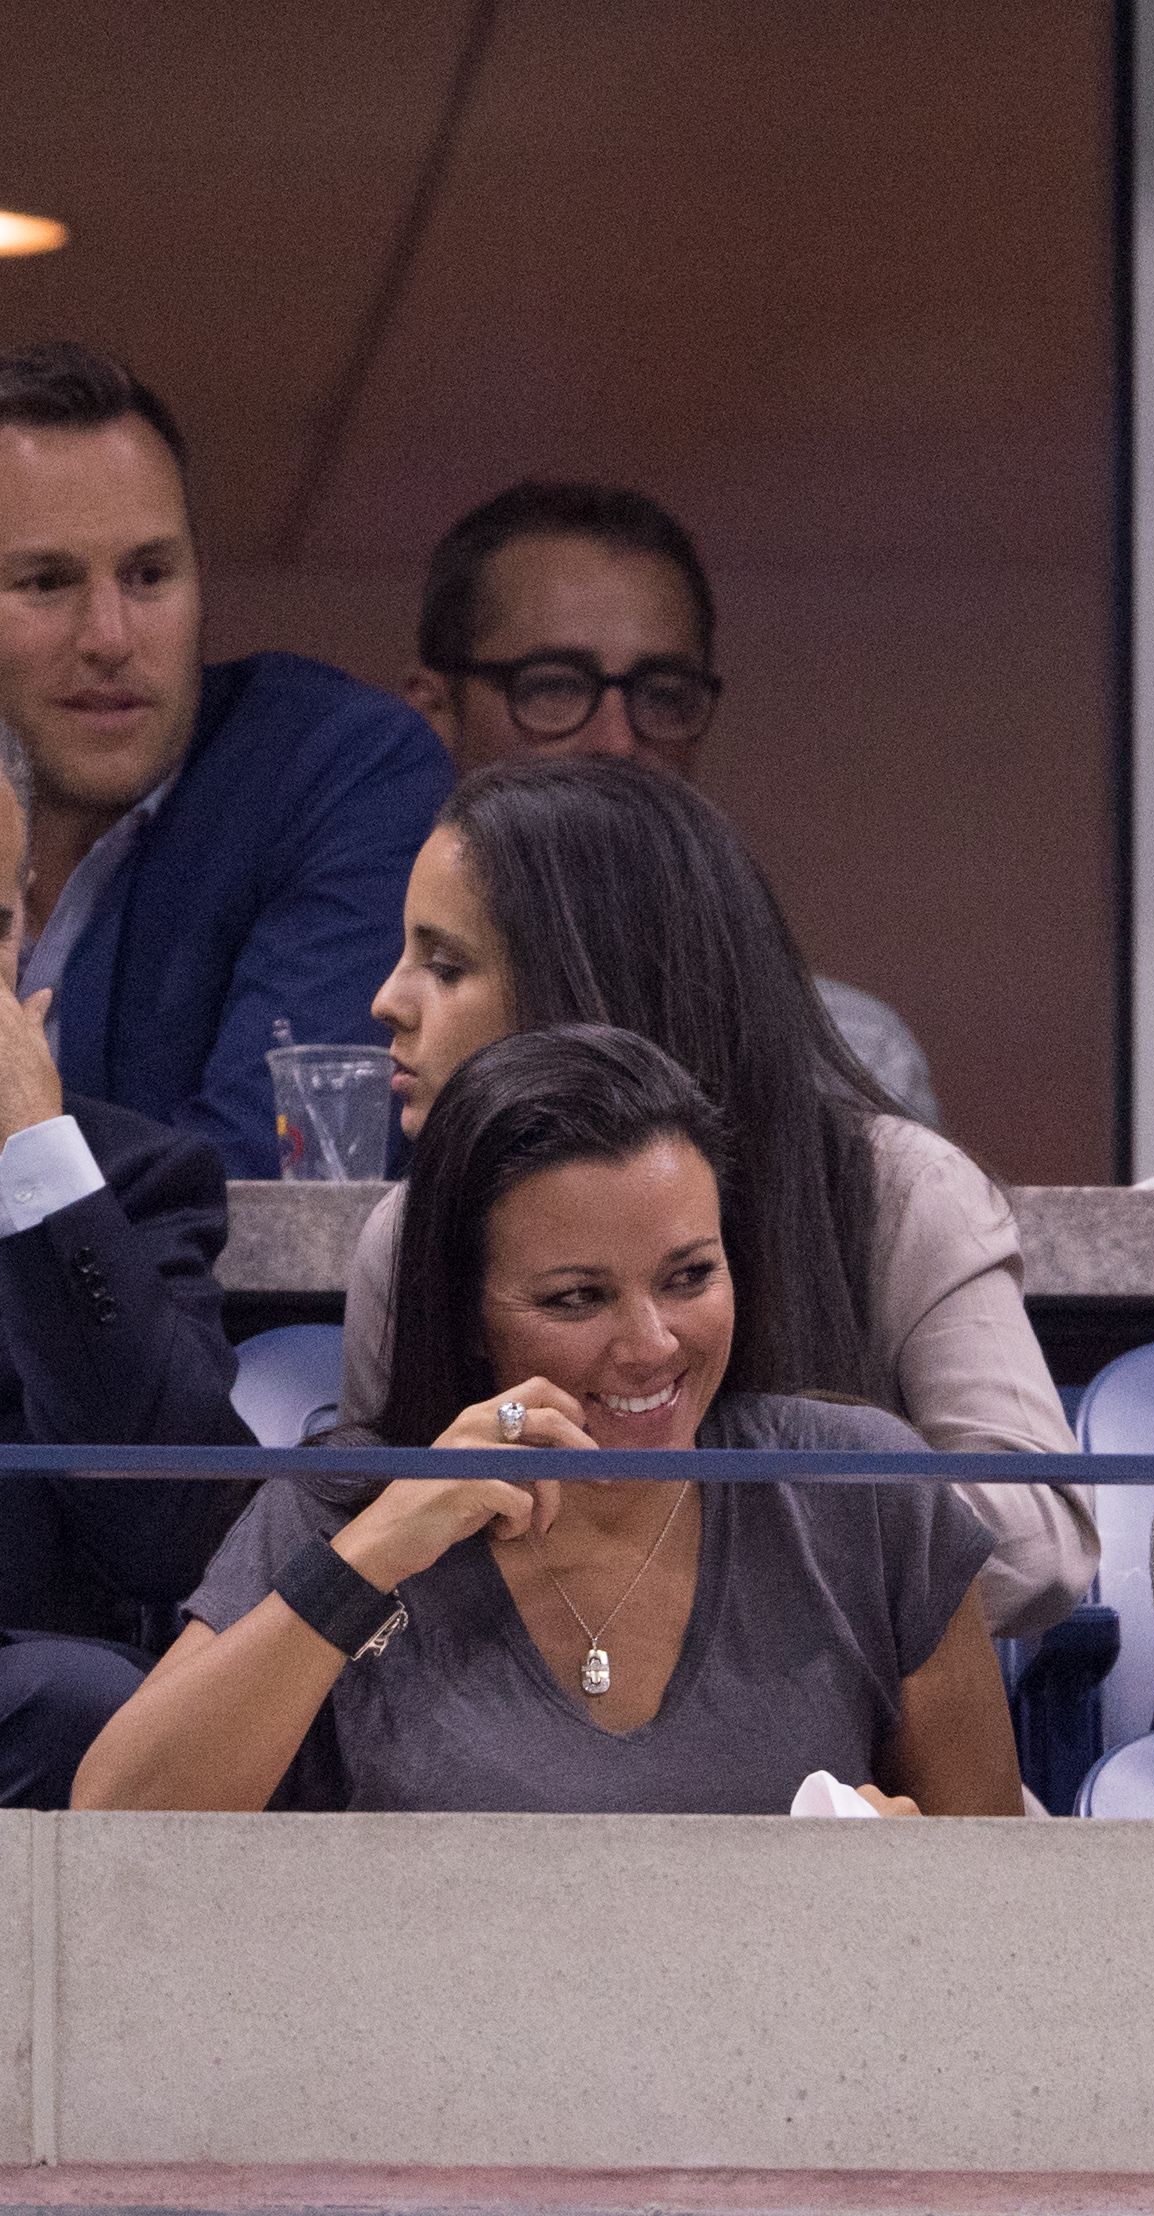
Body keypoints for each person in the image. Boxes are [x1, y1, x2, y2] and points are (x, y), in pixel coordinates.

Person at [74, 1026, 1022, 1815]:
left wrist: (910, 1877)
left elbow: (999, 1914)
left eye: (690, 1277)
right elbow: (115, 1820)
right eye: (577, 1299)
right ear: (467, 1315)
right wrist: (374, 1558)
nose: (652, 1345)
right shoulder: (343, 1505)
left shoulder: (865, 1492)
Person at [337, 758, 1094, 1638]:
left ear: (591, 988)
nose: (387, 1000)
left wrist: (685, 1528)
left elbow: (1037, 1547)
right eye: (577, 1296)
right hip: (507, 1742)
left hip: (858, 1765)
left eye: (448, 965)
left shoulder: (899, 1188)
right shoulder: (405, 1235)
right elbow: (363, 1546)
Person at [0, 341, 450, 1177]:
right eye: (46, 583)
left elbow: (261, 1170)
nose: (110, 637)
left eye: (148, 574)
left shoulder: (337, 768)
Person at [403, 479, 940, 1126]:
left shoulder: (841, 1058)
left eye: (663, 694)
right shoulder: (359, 1041)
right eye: (551, 687)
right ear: (434, 714)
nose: (618, 740)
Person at [0, 717, 254, 1806]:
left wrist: (36, 1167)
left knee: (83, 1705)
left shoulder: (122, 1183)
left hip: (23, 1703)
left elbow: (179, 1535)